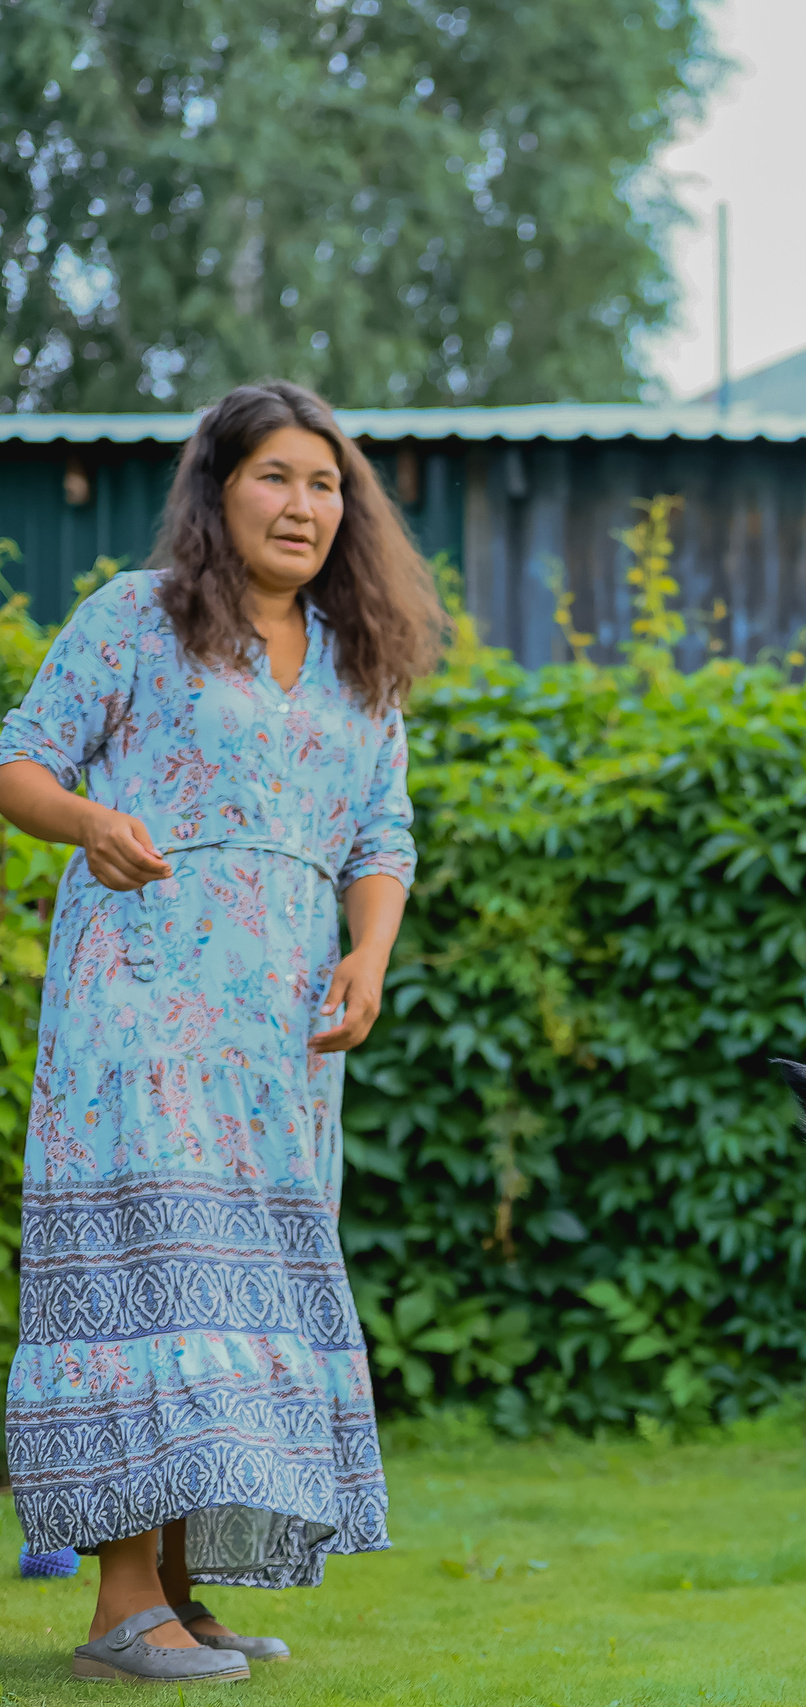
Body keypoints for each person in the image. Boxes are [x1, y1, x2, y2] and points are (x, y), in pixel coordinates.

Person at [0, 381, 443, 1684]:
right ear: (218, 489)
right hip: (138, 1015)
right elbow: (19, 759)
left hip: (278, 1044)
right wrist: (88, 823)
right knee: (157, 1296)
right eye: (275, 477)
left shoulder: (358, 658)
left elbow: (381, 836)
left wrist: (367, 952)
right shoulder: (135, 622)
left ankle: (183, 1601)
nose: (304, 505)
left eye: (325, 484)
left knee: (233, 1304)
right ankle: (118, 1610)